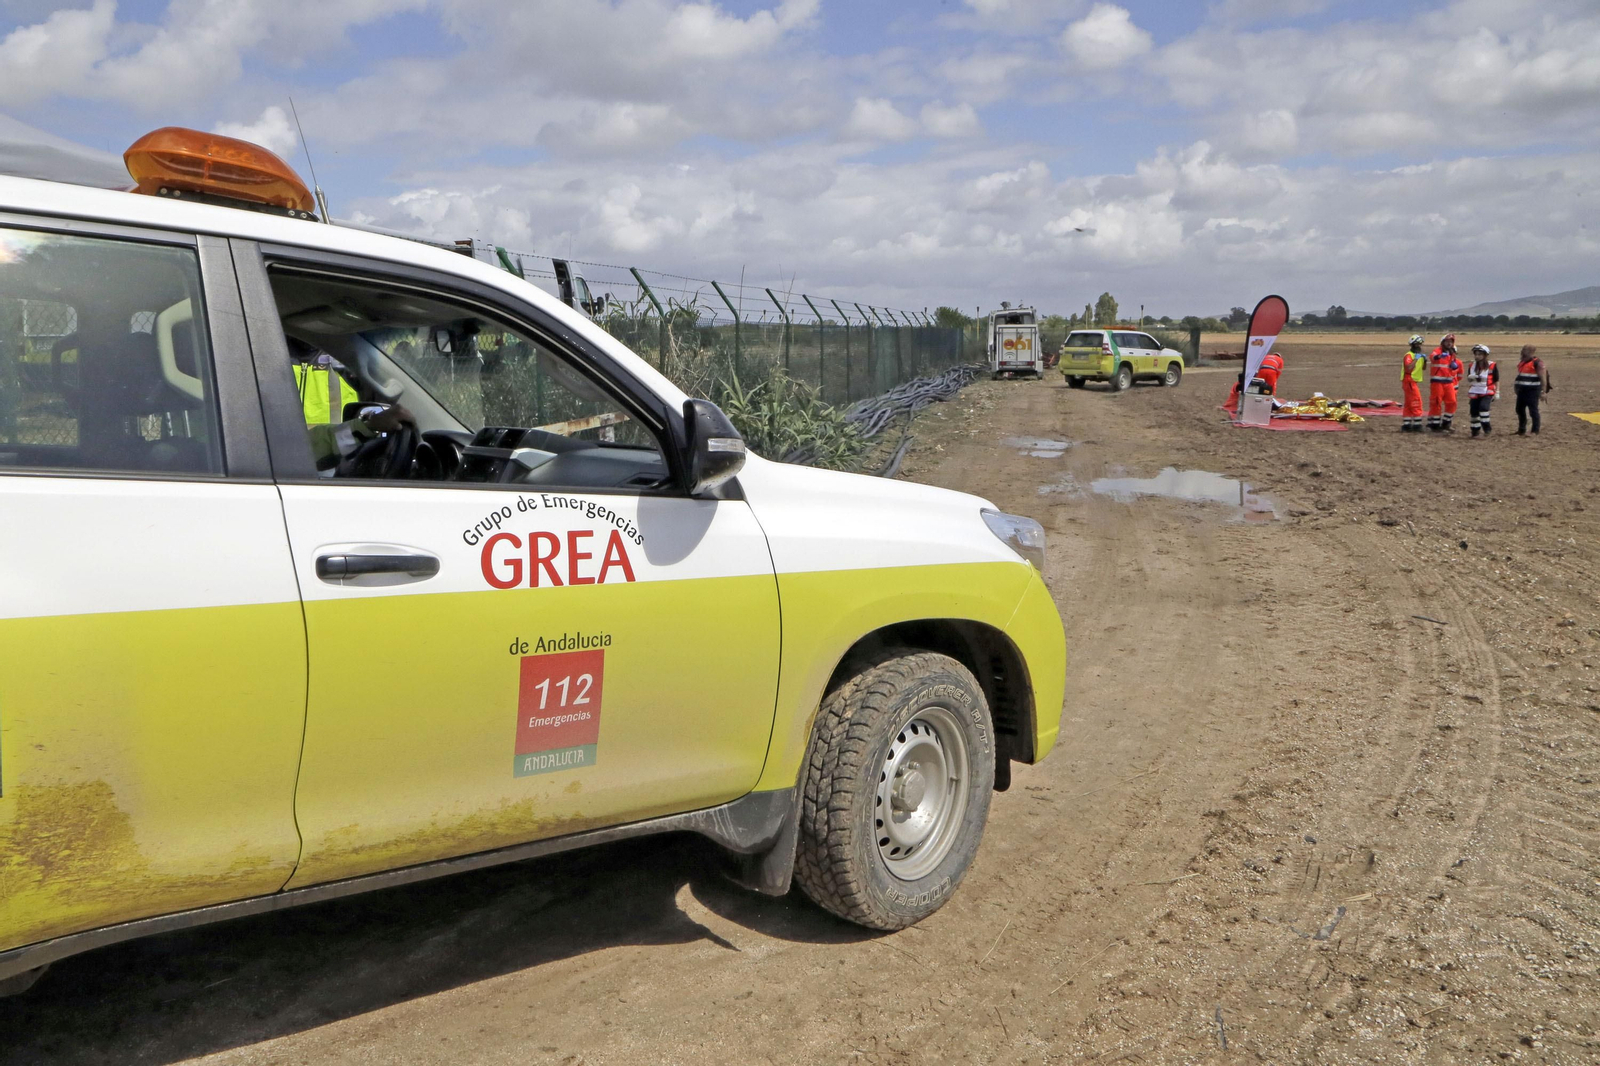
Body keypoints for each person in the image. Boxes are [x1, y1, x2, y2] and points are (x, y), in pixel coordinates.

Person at [287, 336, 415, 471]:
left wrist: (368, 426)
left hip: (333, 458)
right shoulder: (271, 357)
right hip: (313, 461)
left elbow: (307, 445)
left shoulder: (343, 359)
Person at [1513, 344, 1553, 435]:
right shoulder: (1522, 362)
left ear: (1531, 352)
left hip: (1533, 391)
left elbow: (1543, 378)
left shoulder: (1538, 363)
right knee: (1519, 409)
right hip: (1522, 390)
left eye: (1525, 350)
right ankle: (1521, 429)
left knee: (1533, 410)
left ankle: (1535, 430)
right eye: (1523, 349)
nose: (1523, 351)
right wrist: (1516, 387)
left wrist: (1543, 391)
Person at [1427, 333, 1463, 432]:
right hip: (1437, 382)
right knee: (1436, 402)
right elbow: (1432, 357)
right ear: (1443, 342)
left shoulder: (1452, 354)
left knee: (1452, 402)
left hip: (1448, 382)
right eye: (1447, 341)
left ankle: (1446, 423)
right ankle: (1434, 425)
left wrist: (1453, 366)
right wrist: (1439, 356)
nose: (1449, 343)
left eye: (1451, 342)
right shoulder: (1437, 350)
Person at [1463, 344, 1498, 437]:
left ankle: (1487, 429)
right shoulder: (1472, 365)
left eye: (1480, 354)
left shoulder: (1492, 365)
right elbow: (1469, 378)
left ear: (1485, 355)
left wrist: (1497, 392)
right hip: (1475, 390)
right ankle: (1475, 430)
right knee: (1473, 411)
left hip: (1487, 390)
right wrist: (1470, 377)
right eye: (1476, 354)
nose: (1477, 356)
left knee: (1483, 408)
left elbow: (1496, 379)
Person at [1400, 335, 1427, 433]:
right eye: (1418, 344)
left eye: (1420, 344)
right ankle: (1417, 424)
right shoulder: (1409, 355)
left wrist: (1424, 361)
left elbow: (1423, 369)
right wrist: (1416, 359)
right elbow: (1408, 368)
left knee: (1408, 404)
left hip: (1412, 381)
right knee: (1416, 402)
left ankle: (1406, 424)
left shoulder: (1419, 355)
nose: (1420, 346)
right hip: (1409, 380)